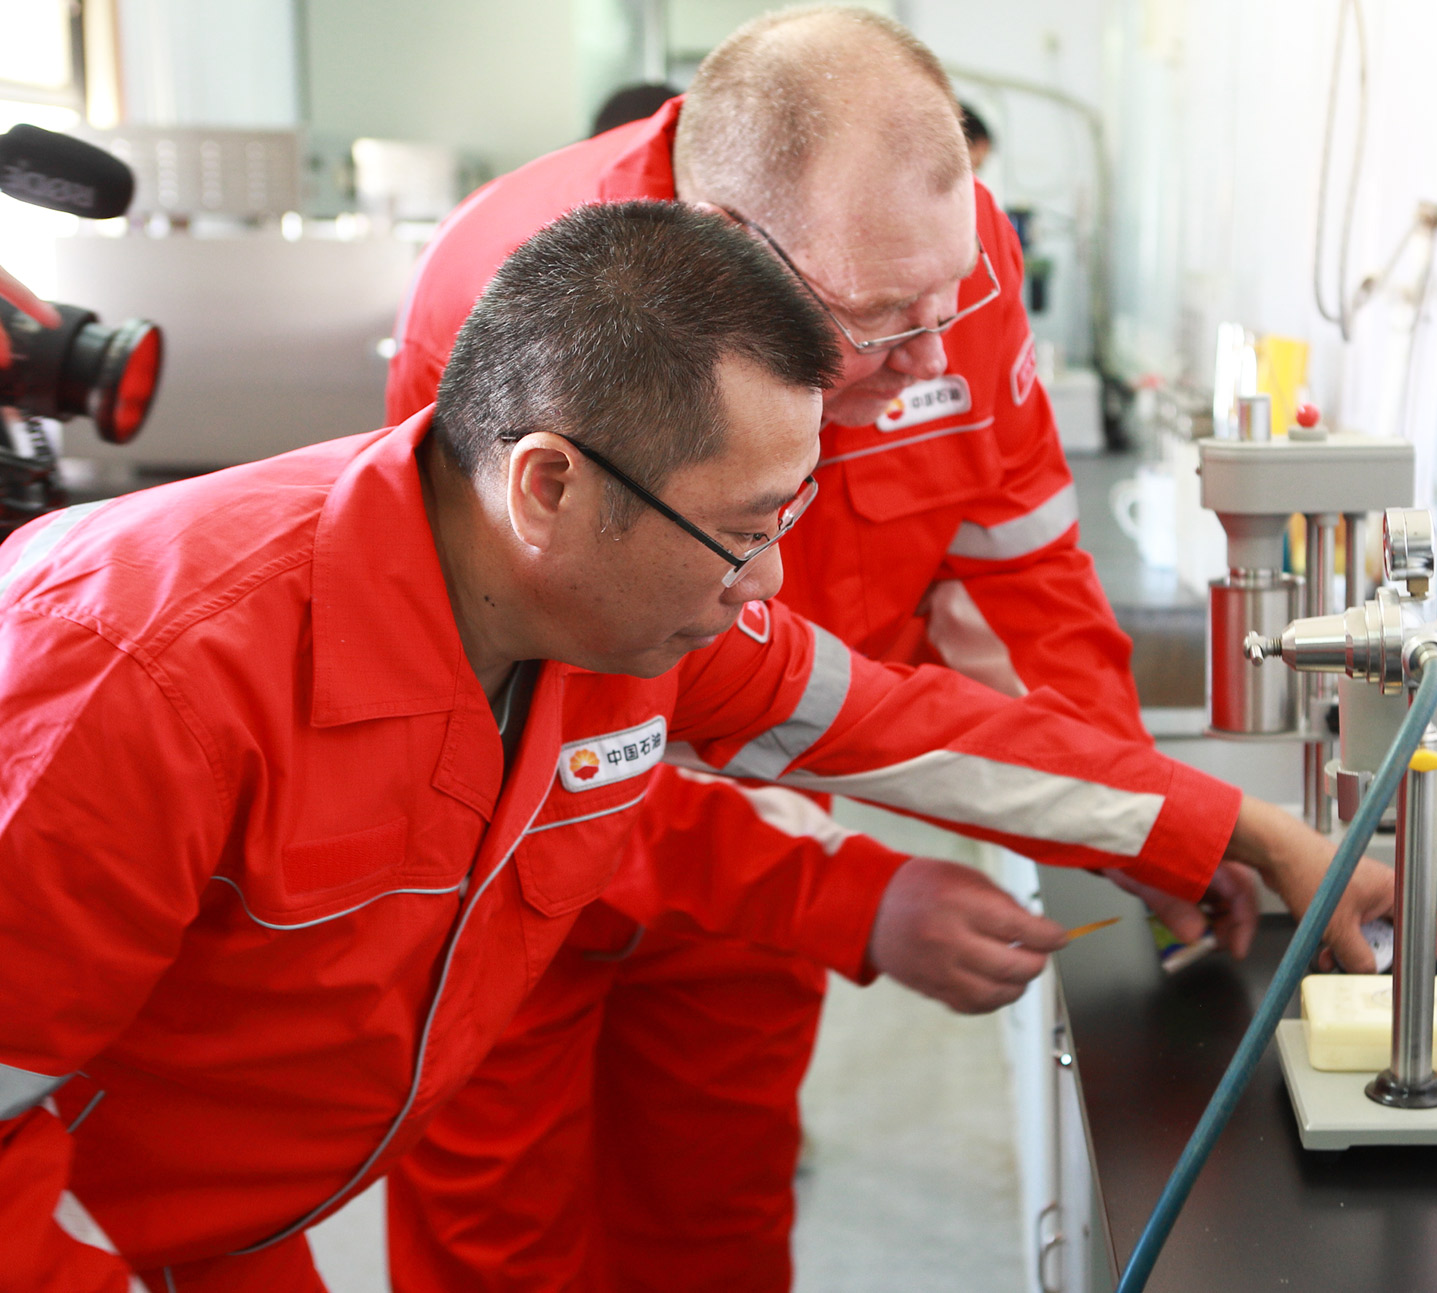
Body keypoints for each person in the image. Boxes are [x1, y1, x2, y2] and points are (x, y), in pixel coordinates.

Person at [0, 200, 1363, 1293]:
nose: (768, 582)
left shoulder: (604, 601)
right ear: (549, 485)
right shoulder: (138, 683)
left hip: (231, 1212)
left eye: (791, 515)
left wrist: (1239, 831)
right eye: (745, 528)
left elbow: (892, 720)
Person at [381, 9, 1405, 1293]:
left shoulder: (932, 265)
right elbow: (564, 747)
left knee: (715, 1238)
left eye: (948, 301)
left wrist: (1138, 821)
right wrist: (849, 895)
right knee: (501, 1257)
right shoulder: (528, 315)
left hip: (768, 845)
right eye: (875, 322)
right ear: (733, 254)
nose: (930, 354)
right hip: (507, 891)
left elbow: (1023, 573)